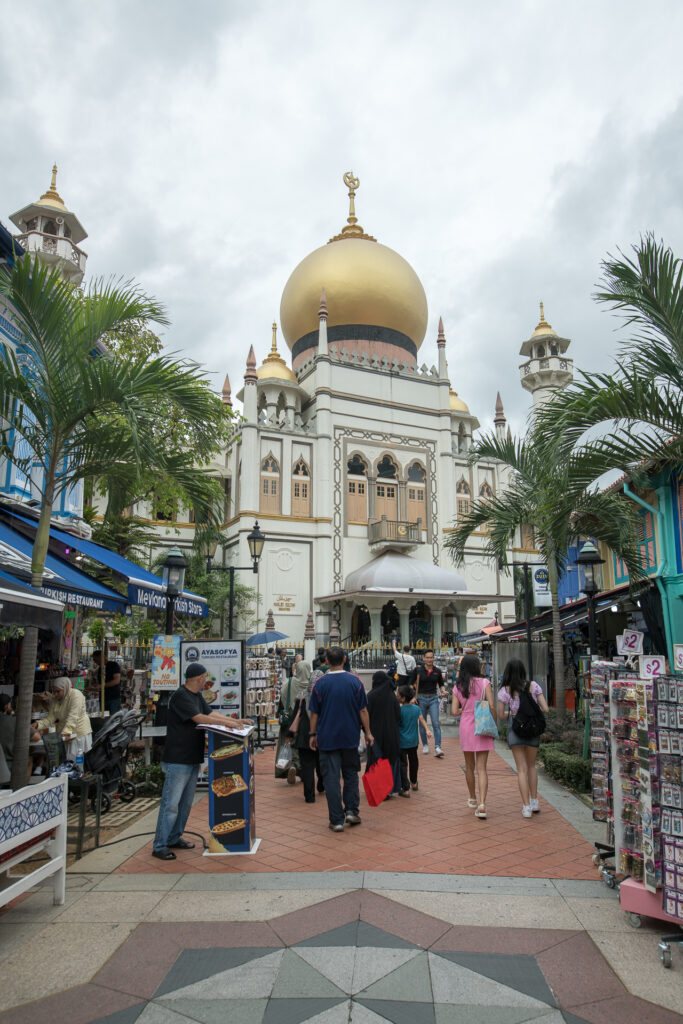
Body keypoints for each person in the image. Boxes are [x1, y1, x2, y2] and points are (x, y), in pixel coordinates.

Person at [152, 662, 253, 860]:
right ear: (199, 678)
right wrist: (227, 723)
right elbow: (199, 718)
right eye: (205, 677)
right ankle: (160, 845)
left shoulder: (196, 696)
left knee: (185, 804)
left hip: (192, 757)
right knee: (171, 804)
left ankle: (174, 837)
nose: (206, 680)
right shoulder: (181, 696)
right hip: (178, 759)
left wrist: (235, 721)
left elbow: (210, 713)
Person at [308, 646, 374, 832]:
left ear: (327, 661)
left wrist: (312, 734)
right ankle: (352, 810)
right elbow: (363, 710)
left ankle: (336, 819)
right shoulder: (355, 681)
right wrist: (368, 732)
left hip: (327, 737)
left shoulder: (320, 684)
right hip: (350, 737)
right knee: (351, 774)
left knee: (331, 778)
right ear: (344, 660)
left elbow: (314, 713)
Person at [497, 658, 550, 818]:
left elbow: (501, 715)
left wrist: (513, 713)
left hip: (516, 729)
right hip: (533, 728)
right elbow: (545, 709)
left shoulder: (505, 690)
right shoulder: (534, 686)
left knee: (521, 769)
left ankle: (526, 807)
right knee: (532, 766)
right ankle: (534, 801)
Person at [451, 654, 496, 819]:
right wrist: (493, 724)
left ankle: (472, 798)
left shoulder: (458, 686)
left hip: (466, 726)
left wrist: (465, 710)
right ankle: (482, 804)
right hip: (482, 724)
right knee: (482, 768)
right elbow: (492, 706)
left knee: (469, 766)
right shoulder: (485, 683)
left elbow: (454, 711)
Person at [32, 677, 93, 763]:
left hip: (79, 734)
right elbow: (51, 718)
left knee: (78, 762)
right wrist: (38, 724)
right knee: (68, 762)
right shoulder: (55, 699)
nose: (55, 694)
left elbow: (73, 716)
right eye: (54, 691)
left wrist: (66, 732)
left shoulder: (76, 695)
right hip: (65, 734)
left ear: (65, 688)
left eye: (58, 691)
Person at [367, 670, 402, 797]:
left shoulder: (370, 696)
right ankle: (390, 789)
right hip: (391, 733)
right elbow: (398, 715)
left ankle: (378, 789)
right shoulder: (392, 696)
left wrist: (366, 731)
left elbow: (366, 715)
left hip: (375, 734)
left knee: (377, 760)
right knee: (390, 759)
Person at [275, 659, 311, 784]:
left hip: (290, 716)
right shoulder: (311, 684)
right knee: (303, 744)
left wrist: (280, 712)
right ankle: (301, 769)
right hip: (306, 718)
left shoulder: (290, 683)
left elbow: (282, 696)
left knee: (288, 741)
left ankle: (291, 766)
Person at [410, 650, 446, 757]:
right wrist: (413, 696)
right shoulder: (418, 670)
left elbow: (441, 684)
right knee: (422, 723)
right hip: (421, 699)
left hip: (433, 698)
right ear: (424, 658)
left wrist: (443, 691)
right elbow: (411, 684)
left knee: (436, 723)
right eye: (427, 657)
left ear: (433, 658)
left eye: (431, 657)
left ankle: (438, 747)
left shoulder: (437, 671)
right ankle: (425, 744)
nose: (429, 659)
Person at [397, 685, 431, 793]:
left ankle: (405, 787)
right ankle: (414, 782)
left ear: (403, 698)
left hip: (402, 742)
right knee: (414, 762)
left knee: (403, 764)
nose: (397, 696)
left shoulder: (399, 710)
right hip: (413, 742)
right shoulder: (416, 709)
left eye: (398, 695)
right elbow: (422, 720)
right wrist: (427, 730)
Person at [91, 651, 122, 715]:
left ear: (100, 657)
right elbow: (101, 683)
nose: (95, 662)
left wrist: (102, 686)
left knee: (113, 718)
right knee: (104, 717)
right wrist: (95, 687)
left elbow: (116, 681)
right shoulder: (100, 668)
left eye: (95, 660)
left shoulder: (113, 665)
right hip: (103, 698)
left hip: (113, 698)